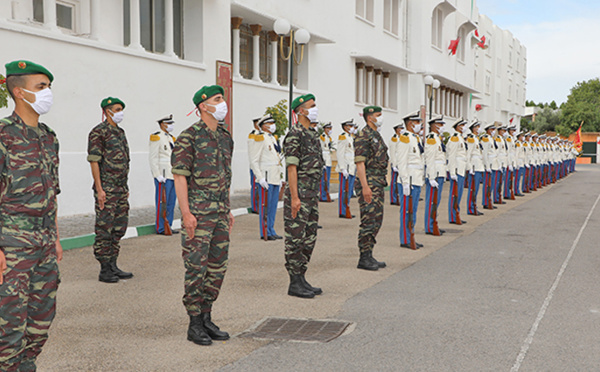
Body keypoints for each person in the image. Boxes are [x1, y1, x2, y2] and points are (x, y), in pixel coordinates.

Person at [0, 60, 61, 371]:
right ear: (19, 91)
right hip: (12, 246)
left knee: (40, 323)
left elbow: (52, 195)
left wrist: (57, 238)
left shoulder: (49, 137)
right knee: (7, 328)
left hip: (45, 244)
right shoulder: (3, 135)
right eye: (41, 87)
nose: (47, 93)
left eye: (49, 87)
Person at [172, 85, 234, 346]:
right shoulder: (189, 137)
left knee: (217, 267)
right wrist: (186, 213)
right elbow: (180, 177)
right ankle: (194, 322)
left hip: (219, 212)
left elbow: (225, 177)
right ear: (203, 106)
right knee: (196, 267)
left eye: (222, 98)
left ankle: (207, 316)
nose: (223, 103)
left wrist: (228, 208)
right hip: (198, 213)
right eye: (217, 99)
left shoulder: (224, 136)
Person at [87, 96, 133, 283]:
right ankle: (104, 269)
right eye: (117, 108)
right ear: (107, 111)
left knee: (118, 227)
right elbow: (94, 161)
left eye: (122, 108)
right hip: (106, 188)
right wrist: (99, 188)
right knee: (104, 229)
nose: (120, 112)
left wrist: (125, 186)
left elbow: (124, 161)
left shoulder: (120, 132)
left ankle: (113, 264)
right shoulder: (99, 132)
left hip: (120, 189)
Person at [283, 93, 324, 299]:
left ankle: (302, 276)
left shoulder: (313, 134)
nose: (316, 109)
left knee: (309, 238)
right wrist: (294, 197)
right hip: (299, 194)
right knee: (295, 239)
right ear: (301, 111)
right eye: (312, 106)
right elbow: (292, 168)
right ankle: (294, 281)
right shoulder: (295, 134)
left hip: (311, 195)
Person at [354, 105, 389, 271]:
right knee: (368, 220)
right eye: (378, 115)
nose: (381, 117)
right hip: (368, 183)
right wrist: (365, 187)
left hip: (377, 183)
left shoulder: (376, 135)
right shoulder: (363, 135)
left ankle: (369, 253)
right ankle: (364, 257)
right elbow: (360, 163)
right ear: (369, 117)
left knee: (377, 220)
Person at [251, 114, 284, 240]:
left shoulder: (272, 138)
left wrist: (280, 177)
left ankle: (271, 229)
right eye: (270, 123)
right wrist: (260, 178)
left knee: (273, 206)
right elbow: (254, 160)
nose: (272, 126)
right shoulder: (260, 138)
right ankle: (264, 231)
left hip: (274, 176)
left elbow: (276, 159)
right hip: (266, 177)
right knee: (265, 206)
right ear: (264, 126)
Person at [396, 111, 424, 249]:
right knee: (407, 210)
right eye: (417, 122)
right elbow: (401, 162)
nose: (420, 125)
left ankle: (411, 235)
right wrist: (405, 181)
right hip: (409, 180)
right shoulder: (405, 138)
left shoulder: (415, 138)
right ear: (410, 123)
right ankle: (405, 239)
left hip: (417, 179)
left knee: (413, 211)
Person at [149, 114, 178, 235]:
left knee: (171, 202)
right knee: (162, 203)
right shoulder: (156, 137)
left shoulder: (171, 138)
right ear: (162, 124)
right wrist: (156, 174)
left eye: (172, 123)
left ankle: (168, 225)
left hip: (172, 174)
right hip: (163, 176)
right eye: (169, 124)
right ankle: (160, 227)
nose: (171, 126)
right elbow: (153, 157)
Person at [423, 115, 446, 235]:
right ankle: (429, 226)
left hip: (440, 172)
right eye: (441, 124)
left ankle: (434, 223)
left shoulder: (437, 138)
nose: (442, 127)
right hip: (435, 173)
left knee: (436, 201)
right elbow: (430, 159)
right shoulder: (431, 138)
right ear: (434, 125)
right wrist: (431, 177)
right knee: (431, 200)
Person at [447, 118, 468, 224]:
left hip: (461, 168)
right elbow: (451, 156)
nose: (464, 127)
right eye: (463, 125)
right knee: (454, 194)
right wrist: (452, 172)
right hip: (456, 169)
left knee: (458, 193)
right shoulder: (455, 138)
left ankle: (456, 214)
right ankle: (453, 216)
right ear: (458, 126)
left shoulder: (460, 138)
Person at [336, 119, 357, 218]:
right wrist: (342, 168)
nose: (352, 127)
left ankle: (346, 208)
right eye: (350, 125)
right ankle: (342, 211)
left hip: (351, 167)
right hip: (346, 168)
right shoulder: (343, 137)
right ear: (345, 127)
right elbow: (340, 154)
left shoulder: (350, 137)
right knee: (344, 190)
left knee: (349, 190)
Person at [465, 120, 485, 215]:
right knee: (472, 189)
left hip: (478, 165)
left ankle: (474, 207)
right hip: (474, 165)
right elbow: (468, 153)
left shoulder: (476, 138)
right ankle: (471, 208)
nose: (479, 128)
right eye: (477, 127)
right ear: (473, 128)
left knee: (476, 189)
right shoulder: (471, 138)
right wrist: (469, 167)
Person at [480, 122, 497, 210]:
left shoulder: (491, 138)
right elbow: (485, 153)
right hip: (489, 164)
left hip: (494, 164)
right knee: (487, 184)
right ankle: (485, 202)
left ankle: (489, 200)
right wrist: (487, 166)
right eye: (493, 129)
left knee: (492, 184)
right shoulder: (485, 139)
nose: (494, 131)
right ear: (489, 130)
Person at [248, 116, 262, 214]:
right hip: (255, 166)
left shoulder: (262, 135)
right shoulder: (253, 135)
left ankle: (260, 206)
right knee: (255, 187)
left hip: (262, 166)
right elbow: (253, 151)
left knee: (260, 187)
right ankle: (255, 207)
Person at [389, 123, 404, 206]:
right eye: (400, 128)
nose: (402, 129)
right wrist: (394, 165)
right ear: (397, 129)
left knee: (399, 181)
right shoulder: (394, 139)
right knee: (394, 182)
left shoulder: (401, 138)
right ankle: (393, 198)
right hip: (396, 163)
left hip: (401, 162)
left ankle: (398, 197)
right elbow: (393, 152)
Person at [319, 122, 334, 202]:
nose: (329, 130)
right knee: (323, 180)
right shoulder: (322, 137)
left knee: (327, 179)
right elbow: (320, 150)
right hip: (324, 159)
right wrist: (322, 162)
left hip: (328, 159)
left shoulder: (328, 138)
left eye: (330, 128)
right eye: (328, 128)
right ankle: (322, 196)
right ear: (324, 129)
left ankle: (326, 194)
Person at [494, 125, 507, 204]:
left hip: (503, 163)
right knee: (497, 182)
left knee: (500, 182)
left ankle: (499, 197)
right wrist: (498, 164)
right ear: (499, 131)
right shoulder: (498, 139)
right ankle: (496, 198)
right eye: (503, 130)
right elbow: (497, 153)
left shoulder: (502, 139)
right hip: (499, 163)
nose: (504, 132)